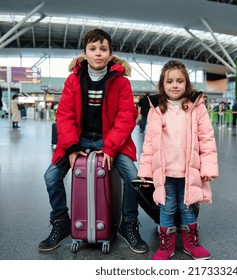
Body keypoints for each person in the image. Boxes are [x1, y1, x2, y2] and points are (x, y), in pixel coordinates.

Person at [39, 28, 148, 254]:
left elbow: (127, 116)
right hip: (79, 139)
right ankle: (61, 222)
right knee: (51, 176)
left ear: (110, 54)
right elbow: (65, 115)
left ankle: (128, 224)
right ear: (85, 53)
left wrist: (111, 146)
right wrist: (71, 146)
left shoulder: (121, 82)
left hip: (111, 141)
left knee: (134, 179)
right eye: (93, 49)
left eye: (103, 49)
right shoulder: (73, 80)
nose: (98, 53)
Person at [137, 60, 218, 260]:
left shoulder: (196, 107)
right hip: (164, 171)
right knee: (167, 206)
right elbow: (149, 142)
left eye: (180, 81)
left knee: (188, 206)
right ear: (163, 85)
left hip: (189, 170)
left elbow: (206, 138)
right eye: (170, 81)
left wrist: (208, 167)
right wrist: (146, 170)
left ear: (186, 84)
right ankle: (166, 246)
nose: (175, 85)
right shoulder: (157, 109)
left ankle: (192, 243)